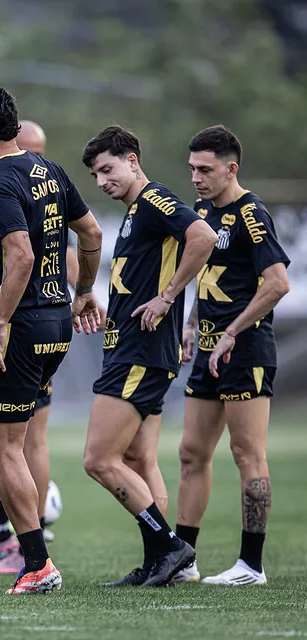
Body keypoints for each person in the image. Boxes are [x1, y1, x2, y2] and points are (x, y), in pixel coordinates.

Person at [0, 85, 103, 595]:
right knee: (1, 430)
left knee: (7, 445)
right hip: (55, 321)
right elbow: (92, 234)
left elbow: (22, 256)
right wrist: (83, 294)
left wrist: (1, 322)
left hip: (22, 323)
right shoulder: (47, 169)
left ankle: (36, 564)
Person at [80, 125, 217, 587]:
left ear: (132, 160)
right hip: (138, 347)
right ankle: (170, 564)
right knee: (139, 461)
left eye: (108, 169)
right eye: (96, 175)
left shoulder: (154, 200)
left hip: (138, 351)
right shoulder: (136, 210)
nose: (101, 181)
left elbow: (203, 235)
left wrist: (167, 298)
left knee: (99, 459)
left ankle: (169, 548)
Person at [174, 125, 290, 586]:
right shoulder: (202, 212)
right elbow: (209, 277)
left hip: (245, 351)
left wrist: (231, 332)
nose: (197, 178)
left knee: (247, 454)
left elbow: (278, 283)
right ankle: (183, 561)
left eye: (205, 169)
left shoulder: (252, 214)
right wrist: (190, 325)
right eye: (192, 169)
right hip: (206, 350)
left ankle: (251, 566)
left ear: (231, 168)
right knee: (191, 453)